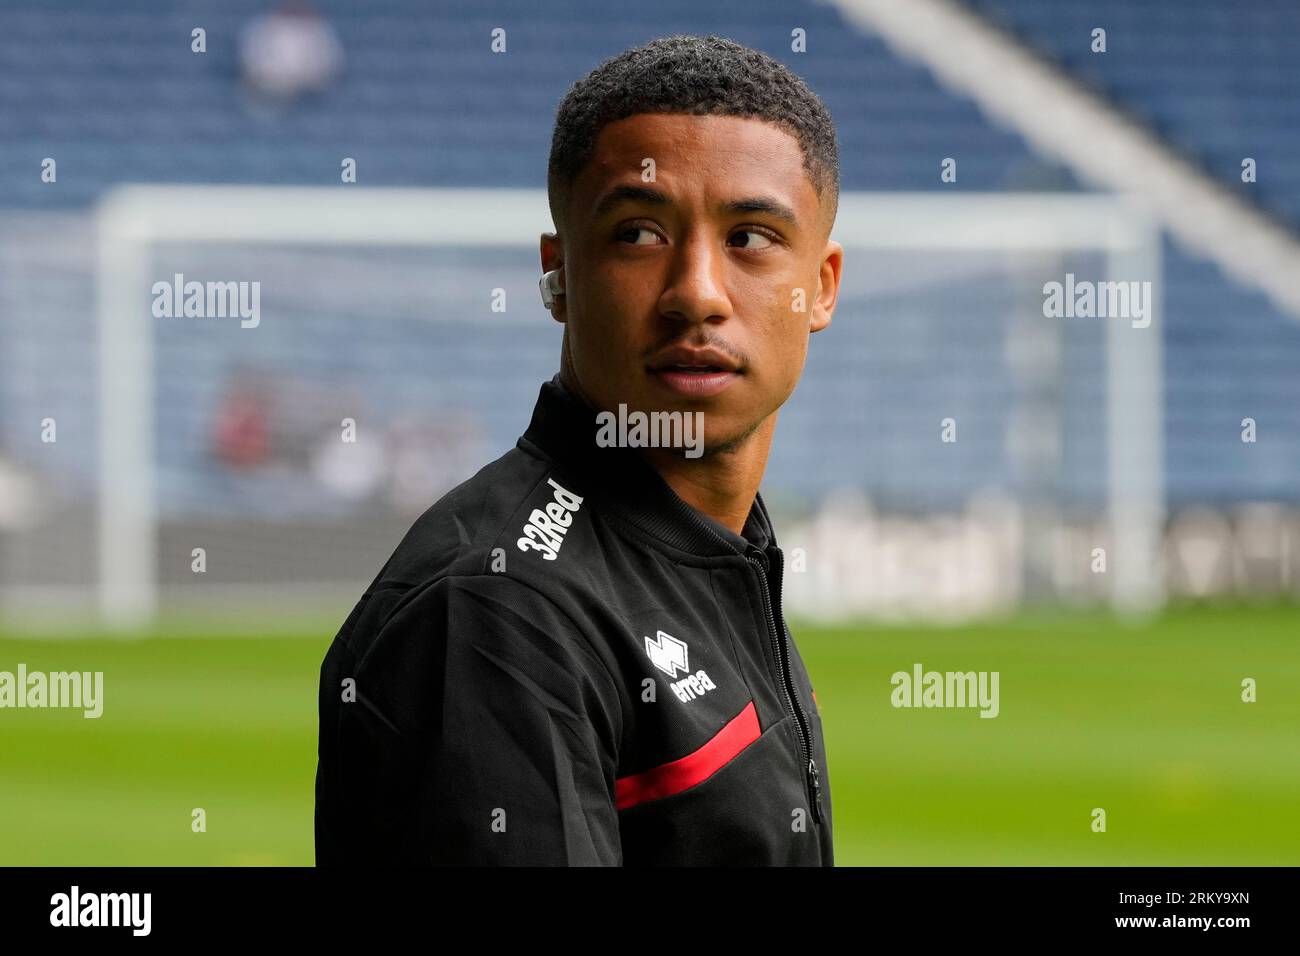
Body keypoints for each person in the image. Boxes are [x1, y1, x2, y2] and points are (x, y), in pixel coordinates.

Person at [315, 34, 843, 865]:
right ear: (558, 275)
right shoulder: (498, 610)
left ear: (823, 287)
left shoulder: (716, 548)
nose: (697, 294)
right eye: (639, 233)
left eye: (749, 239)